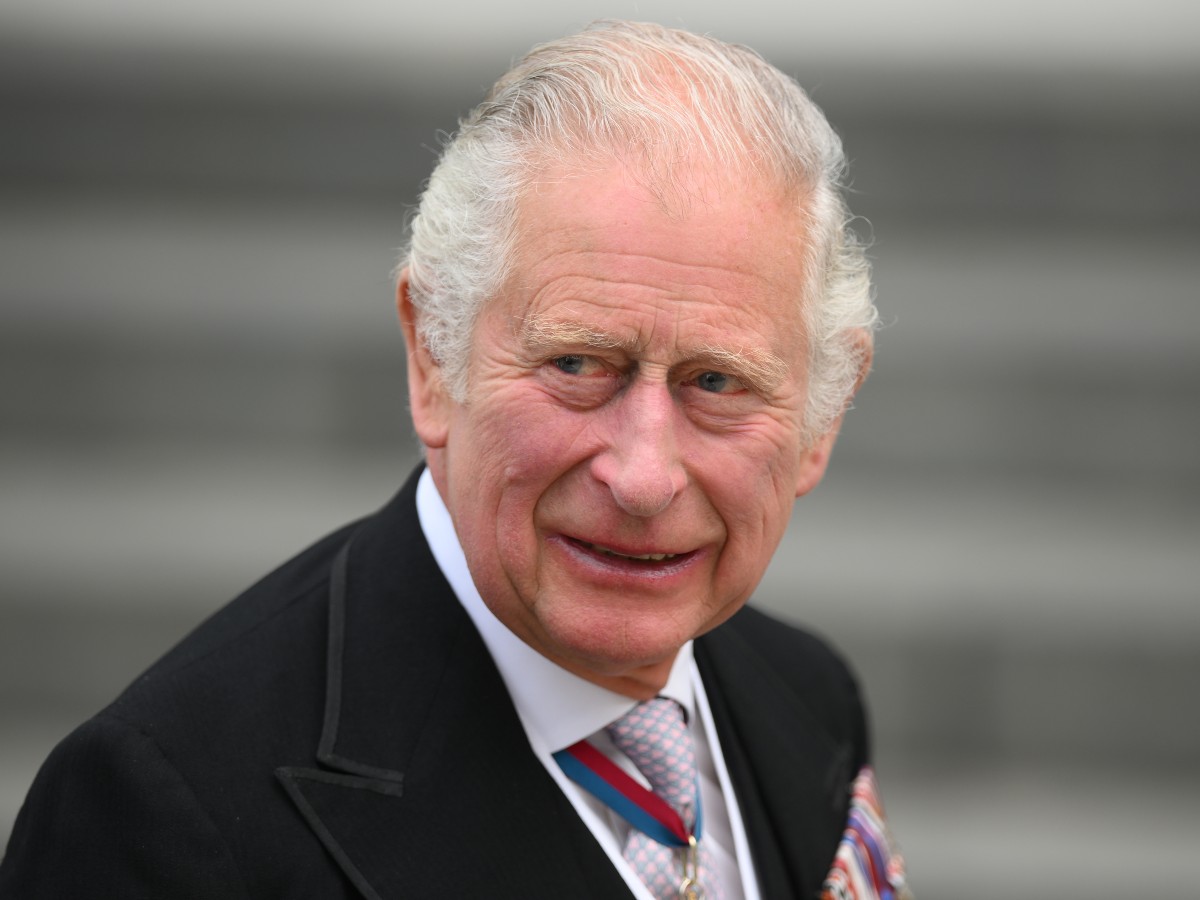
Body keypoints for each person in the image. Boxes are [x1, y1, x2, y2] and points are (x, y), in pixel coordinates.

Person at [0, 20, 909, 900]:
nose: (643, 477)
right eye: (578, 364)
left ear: (820, 421)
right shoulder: (166, 813)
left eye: (717, 382)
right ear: (433, 359)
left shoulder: (809, 695)